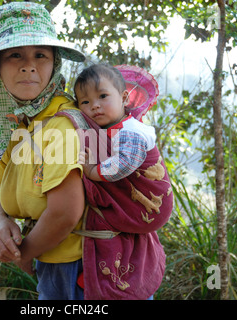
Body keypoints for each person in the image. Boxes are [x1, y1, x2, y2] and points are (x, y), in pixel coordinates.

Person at [0, 2, 86, 300]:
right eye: (14, 55)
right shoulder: (23, 123)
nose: (28, 65)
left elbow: (65, 213)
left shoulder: (61, 125)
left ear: (55, 63)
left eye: (40, 55)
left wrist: (23, 253)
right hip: (51, 266)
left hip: (80, 273)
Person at [64, 63, 174, 299]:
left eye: (103, 96)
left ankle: (108, 282)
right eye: (85, 102)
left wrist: (93, 172)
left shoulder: (131, 131)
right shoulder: (110, 130)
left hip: (149, 203)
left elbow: (124, 164)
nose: (94, 105)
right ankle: (102, 276)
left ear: (124, 98)